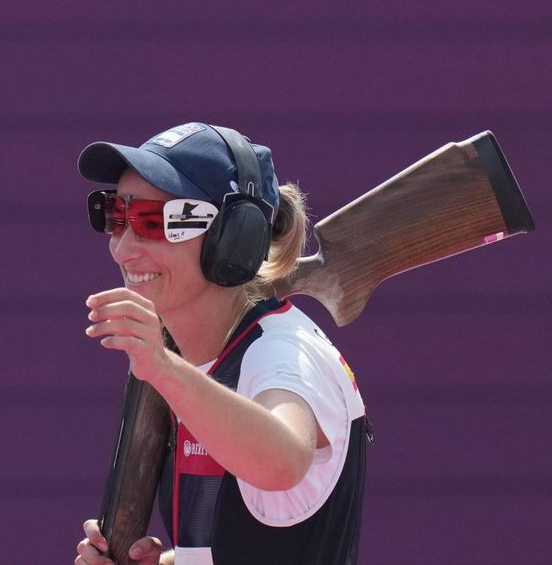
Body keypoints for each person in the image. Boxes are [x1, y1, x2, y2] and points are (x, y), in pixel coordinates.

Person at [72, 123, 368, 565]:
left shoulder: (281, 353)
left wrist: (163, 369)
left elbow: (283, 460)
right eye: (115, 216)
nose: (123, 248)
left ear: (234, 236)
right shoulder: (204, 367)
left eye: (156, 222)